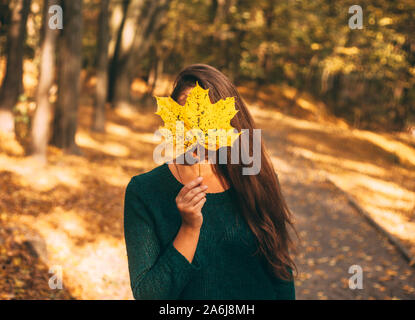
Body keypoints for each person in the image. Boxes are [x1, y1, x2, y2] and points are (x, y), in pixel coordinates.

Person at [124, 64, 297, 300]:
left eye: (207, 119)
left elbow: (280, 270)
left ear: (230, 121)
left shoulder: (256, 179)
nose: (196, 131)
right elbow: (149, 295)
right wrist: (189, 228)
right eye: (186, 117)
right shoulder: (145, 191)